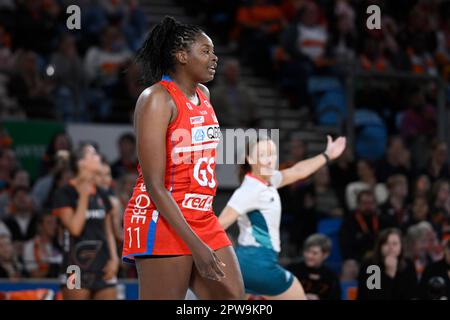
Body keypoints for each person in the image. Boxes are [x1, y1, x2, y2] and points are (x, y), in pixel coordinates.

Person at [121, 16, 245, 300]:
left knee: (235, 301)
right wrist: (196, 246)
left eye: (213, 51)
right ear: (181, 56)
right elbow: (154, 184)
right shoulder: (156, 99)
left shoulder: (204, 93)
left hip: (202, 215)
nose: (214, 58)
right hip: (161, 216)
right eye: (205, 51)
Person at [218, 134, 346, 299]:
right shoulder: (249, 190)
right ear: (250, 158)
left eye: (272, 153)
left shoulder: (269, 180)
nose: (269, 159)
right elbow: (219, 224)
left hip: (247, 263)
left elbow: (298, 171)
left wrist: (327, 155)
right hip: (256, 262)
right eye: (262, 154)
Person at [52, 144, 119, 300]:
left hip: (103, 266)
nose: (98, 157)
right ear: (81, 163)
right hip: (73, 268)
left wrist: (114, 259)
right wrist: (83, 196)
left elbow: (108, 232)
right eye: (93, 155)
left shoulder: (102, 194)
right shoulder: (64, 193)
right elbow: (75, 228)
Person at [357, 228, 419, 300]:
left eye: (395, 244)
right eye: (386, 243)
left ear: (401, 247)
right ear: (380, 247)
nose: (390, 247)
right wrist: (389, 274)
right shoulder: (370, 266)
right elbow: (374, 297)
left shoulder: (408, 265)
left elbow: (412, 294)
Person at [287, 234, 341, 300]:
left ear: (325, 255)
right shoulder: (292, 270)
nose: (309, 256)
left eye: (314, 253)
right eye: (307, 251)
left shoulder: (331, 277)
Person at [22, 211, 62, 278]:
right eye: (49, 223)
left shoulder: (61, 244)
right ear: (40, 226)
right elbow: (34, 275)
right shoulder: (31, 246)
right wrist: (52, 267)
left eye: (56, 222)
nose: (54, 226)